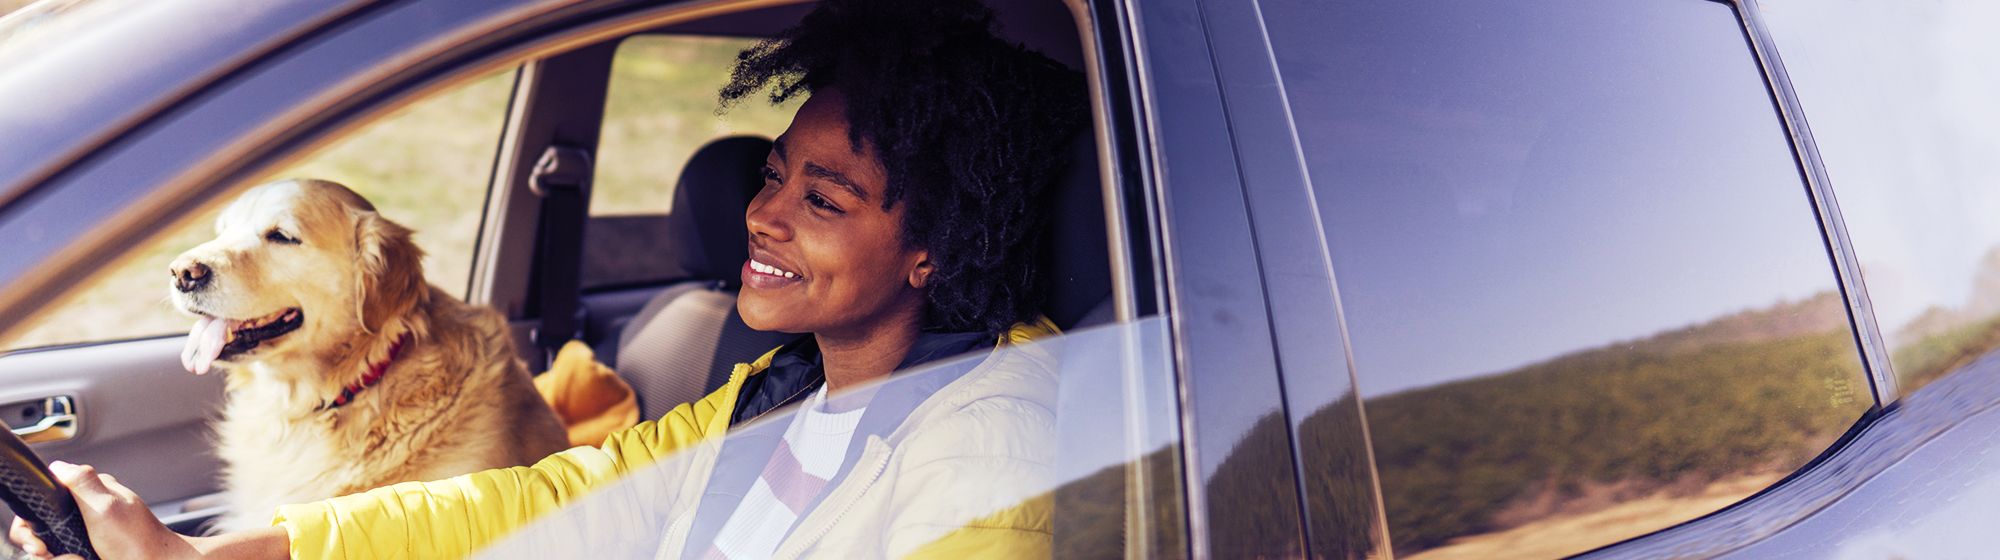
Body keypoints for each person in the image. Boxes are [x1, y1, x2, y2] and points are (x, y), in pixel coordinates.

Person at [7, 0, 1089, 558]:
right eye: (772, 172)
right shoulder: (787, 388)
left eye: (823, 197)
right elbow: (557, 500)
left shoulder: (986, 435)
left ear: (933, 245)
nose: (759, 211)